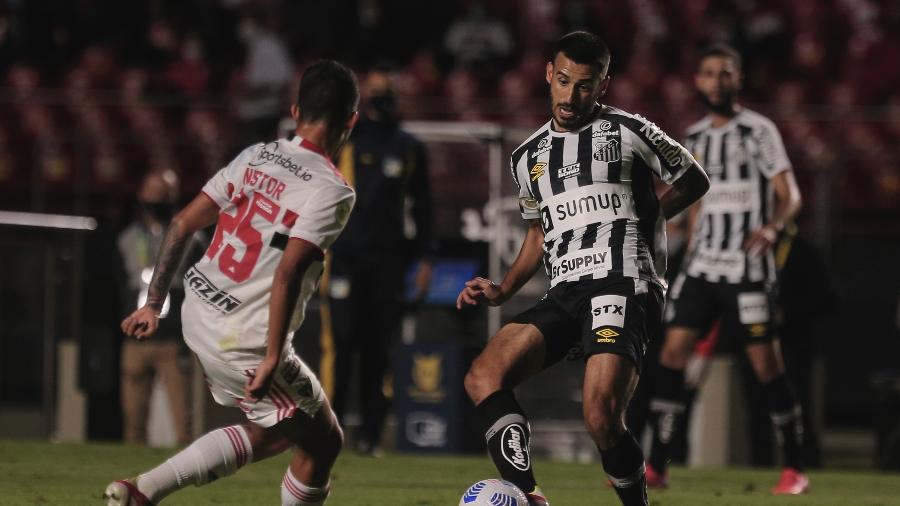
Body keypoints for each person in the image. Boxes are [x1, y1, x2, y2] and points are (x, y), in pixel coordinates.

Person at [457, 31, 710, 506]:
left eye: (585, 86)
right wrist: (503, 291)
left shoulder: (628, 131)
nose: (572, 96)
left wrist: (651, 214)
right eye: (565, 81)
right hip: (565, 290)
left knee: (600, 414)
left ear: (603, 85)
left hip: (624, 282)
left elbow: (693, 176)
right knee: (483, 375)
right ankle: (531, 495)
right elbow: (538, 233)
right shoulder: (526, 157)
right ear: (549, 75)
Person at [104, 59, 359, 506]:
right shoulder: (332, 190)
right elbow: (288, 272)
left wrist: (152, 303)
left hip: (198, 311)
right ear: (351, 121)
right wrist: (273, 356)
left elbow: (182, 223)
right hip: (246, 338)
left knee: (277, 431)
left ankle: (142, 492)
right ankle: (144, 491)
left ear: (296, 111)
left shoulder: (256, 154)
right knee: (324, 442)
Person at [644, 44, 807, 494]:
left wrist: (774, 228)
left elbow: (790, 194)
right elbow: (694, 208)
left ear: (738, 80)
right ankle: (656, 466)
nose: (717, 81)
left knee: (766, 366)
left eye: (726, 73)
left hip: (747, 269)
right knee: (672, 355)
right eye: (710, 73)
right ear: (698, 81)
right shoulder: (693, 138)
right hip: (701, 268)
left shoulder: (759, 131)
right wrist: (675, 246)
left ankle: (795, 468)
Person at [327, 65, 434, 456]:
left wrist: (424, 259)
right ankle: (327, 433)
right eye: (374, 91)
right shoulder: (344, 142)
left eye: (387, 90)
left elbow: (424, 209)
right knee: (340, 347)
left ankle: (371, 437)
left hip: (388, 264)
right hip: (344, 260)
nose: (381, 98)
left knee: (378, 352)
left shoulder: (408, 147)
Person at [116, 170, 199, 447]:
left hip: (173, 339)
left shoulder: (190, 239)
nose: (156, 199)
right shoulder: (127, 238)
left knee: (183, 421)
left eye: (162, 193)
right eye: (151, 192)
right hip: (135, 339)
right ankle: (130, 481)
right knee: (133, 419)